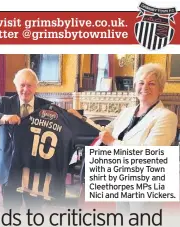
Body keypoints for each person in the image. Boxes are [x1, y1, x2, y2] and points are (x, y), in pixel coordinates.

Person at [68, 63, 178, 213]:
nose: (145, 87)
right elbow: (104, 132)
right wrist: (81, 119)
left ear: (161, 89)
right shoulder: (127, 112)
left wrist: (113, 143)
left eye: (152, 83)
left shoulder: (167, 116)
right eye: (141, 82)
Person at [0, 68, 51, 208]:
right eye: (22, 85)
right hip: (9, 167)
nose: (25, 89)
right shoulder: (5, 103)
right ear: (16, 86)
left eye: (29, 85)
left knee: (35, 210)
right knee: (11, 210)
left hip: (35, 168)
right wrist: (3, 118)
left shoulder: (46, 106)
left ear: (36, 86)